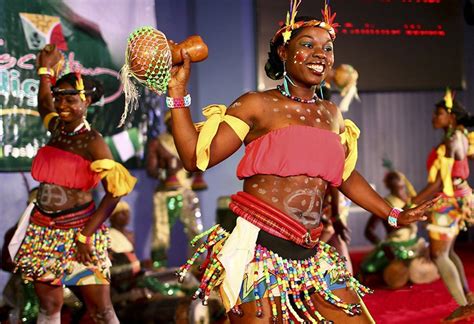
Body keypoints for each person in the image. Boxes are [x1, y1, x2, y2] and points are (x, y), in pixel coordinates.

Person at [165, 1, 437, 322]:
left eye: (328, 48)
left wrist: (393, 215)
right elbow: (197, 157)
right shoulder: (257, 104)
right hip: (259, 249)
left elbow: (345, 176)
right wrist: (177, 89)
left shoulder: (331, 115)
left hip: (311, 251)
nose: (321, 54)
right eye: (307, 45)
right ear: (283, 52)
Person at [12, 44, 136, 324]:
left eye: (70, 99)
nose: (62, 105)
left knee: (101, 311)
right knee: (48, 307)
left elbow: (115, 193)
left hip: (79, 234)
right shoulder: (57, 129)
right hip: (42, 232)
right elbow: (44, 103)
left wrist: (85, 235)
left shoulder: (93, 142)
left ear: (86, 102)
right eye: (60, 98)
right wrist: (44, 72)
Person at [410, 91, 474, 322]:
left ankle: (463, 306)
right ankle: (467, 298)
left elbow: (438, 182)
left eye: (438, 114)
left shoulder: (452, 139)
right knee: (448, 251)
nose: (433, 117)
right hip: (460, 197)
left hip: (449, 201)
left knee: (438, 254)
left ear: (451, 116)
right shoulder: (459, 135)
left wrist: (413, 202)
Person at [146, 110, 205, 269]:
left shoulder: (189, 140)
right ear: (166, 123)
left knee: (196, 231)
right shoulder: (158, 143)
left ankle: (197, 267)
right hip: (165, 194)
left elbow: (199, 163)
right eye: (172, 121)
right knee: (161, 234)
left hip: (187, 192)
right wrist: (167, 172)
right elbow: (151, 170)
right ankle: (159, 267)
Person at [360, 170, 438, 288]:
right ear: (388, 186)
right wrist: (382, 245)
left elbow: (428, 218)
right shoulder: (385, 203)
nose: (401, 190)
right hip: (395, 245)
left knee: (432, 257)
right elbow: (368, 230)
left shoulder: (411, 200)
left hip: (414, 243)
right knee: (389, 270)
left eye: (402, 186)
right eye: (397, 187)